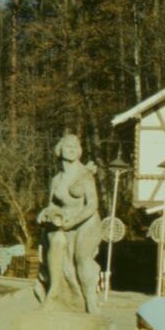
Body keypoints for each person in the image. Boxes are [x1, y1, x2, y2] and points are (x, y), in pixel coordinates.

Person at [36, 133, 102, 314]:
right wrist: (44, 213)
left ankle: (90, 301)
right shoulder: (56, 180)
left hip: (86, 222)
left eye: (75, 147)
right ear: (60, 150)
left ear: (79, 151)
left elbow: (92, 205)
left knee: (81, 259)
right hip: (64, 221)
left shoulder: (85, 174)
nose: (72, 149)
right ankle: (54, 292)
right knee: (55, 242)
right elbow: (52, 204)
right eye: (68, 146)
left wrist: (72, 223)